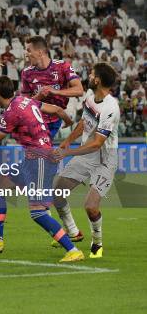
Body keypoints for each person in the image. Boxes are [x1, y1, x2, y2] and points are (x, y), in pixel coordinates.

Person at [0, 76, 84, 263]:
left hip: (41, 161)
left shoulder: (11, 112)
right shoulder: (24, 99)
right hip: (32, 159)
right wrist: (68, 121)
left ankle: (73, 250)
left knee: (37, 212)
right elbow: (58, 109)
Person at [52, 63, 120, 259]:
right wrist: (66, 142)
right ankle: (73, 232)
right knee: (58, 192)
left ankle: (97, 242)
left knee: (90, 206)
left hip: (105, 159)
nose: (89, 76)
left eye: (92, 74)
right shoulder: (90, 99)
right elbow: (84, 123)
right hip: (87, 156)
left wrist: (68, 153)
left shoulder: (110, 108)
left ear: (97, 80)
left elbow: (97, 143)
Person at [21, 36, 84, 138]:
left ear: (40, 52)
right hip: (35, 119)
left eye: (28, 50)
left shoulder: (63, 66)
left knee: (40, 151)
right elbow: (23, 103)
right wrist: (39, 96)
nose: (26, 54)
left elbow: (79, 90)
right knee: (38, 151)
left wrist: (55, 91)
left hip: (55, 119)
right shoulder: (26, 73)